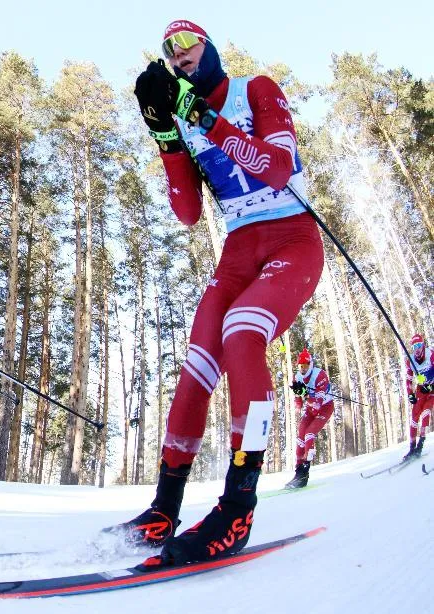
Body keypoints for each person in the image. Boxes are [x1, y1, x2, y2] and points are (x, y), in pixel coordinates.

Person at [117, 19, 324, 567]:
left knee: (243, 331)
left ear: (209, 48)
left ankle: (238, 507)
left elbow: (278, 169)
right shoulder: (183, 120)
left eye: (188, 43)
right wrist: (166, 135)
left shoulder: (255, 89)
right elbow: (187, 213)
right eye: (169, 50)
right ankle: (165, 506)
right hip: (237, 249)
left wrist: (206, 118)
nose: (178, 53)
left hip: (294, 237)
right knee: (198, 363)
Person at [285, 349, 333, 489]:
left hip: (325, 407)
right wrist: (298, 397)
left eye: (306, 365)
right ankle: (298, 472)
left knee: (309, 433)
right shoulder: (298, 377)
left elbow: (317, 404)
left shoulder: (320, 375)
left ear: (310, 364)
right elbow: (298, 402)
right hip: (310, 410)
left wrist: (305, 395)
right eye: (301, 366)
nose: (303, 369)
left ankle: (305, 472)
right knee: (300, 436)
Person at [403, 334, 434, 461]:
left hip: (432, 388)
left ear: (423, 345)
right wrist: (410, 394)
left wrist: (431, 387)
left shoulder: (431, 354)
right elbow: (409, 379)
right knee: (415, 415)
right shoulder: (410, 361)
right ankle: (412, 447)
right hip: (421, 389)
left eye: (419, 345)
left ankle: (421, 444)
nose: (417, 349)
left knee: (426, 411)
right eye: (414, 346)